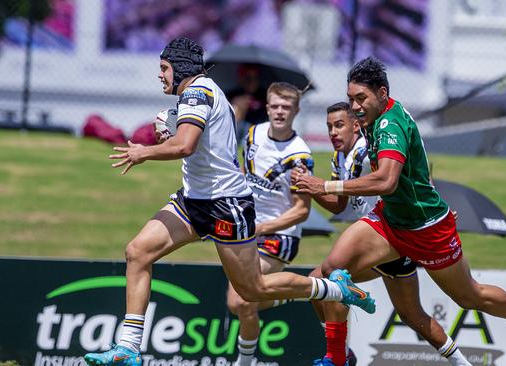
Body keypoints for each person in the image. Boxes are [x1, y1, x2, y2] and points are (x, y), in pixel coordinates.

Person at [82, 37, 375, 366]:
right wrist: (172, 128)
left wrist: (143, 151)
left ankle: (337, 290)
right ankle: (129, 347)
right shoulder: (197, 94)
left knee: (252, 292)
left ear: (180, 69)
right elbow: (191, 139)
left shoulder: (197, 92)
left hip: (225, 203)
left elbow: (186, 146)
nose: (160, 75)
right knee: (138, 251)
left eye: (164, 69)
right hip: (193, 201)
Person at [293, 57, 506, 366]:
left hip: (427, 228)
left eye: (361, 98)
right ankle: (338, 357)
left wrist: (327, 187)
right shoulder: (375, 118)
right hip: (390, 221)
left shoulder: (388, 124)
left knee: (469, 297)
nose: (355, 106)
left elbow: (386, 180)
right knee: (330, 270)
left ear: (382, 93)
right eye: (351, 99)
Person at [297, 102, 470, 366]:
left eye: (339, 125)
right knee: (413, 316)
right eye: (329, 127)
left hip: (391, 239)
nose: (333, 132)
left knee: (330, 280)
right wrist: (314, 189)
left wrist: (433, 212)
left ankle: (338, 356)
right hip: (378, 245)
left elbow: (408, 175)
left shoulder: (368, 150)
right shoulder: (339, 158)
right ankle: (462, 363)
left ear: (356, 126)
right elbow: (339, 204)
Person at [226, 82, 313, 366]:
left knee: (244, 300)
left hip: (279, 235)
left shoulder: (299, 155)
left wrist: (263, 228)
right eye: (275, 106)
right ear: (266, 108)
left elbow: (301, 211)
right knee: (233, 302)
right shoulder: (252, 134)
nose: (279, 112)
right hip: (247, 229)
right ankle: (291, 293)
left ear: (296, 111)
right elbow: (243, 173)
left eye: (286, 107)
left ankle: (245, 362)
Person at [226, 64, 269, 140]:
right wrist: (238, 105)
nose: (251, 81)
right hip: (237, 130)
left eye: (255, 78)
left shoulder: (265, 95)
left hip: (259, 128)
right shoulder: (232, 94)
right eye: (247, 78)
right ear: (241, 78)